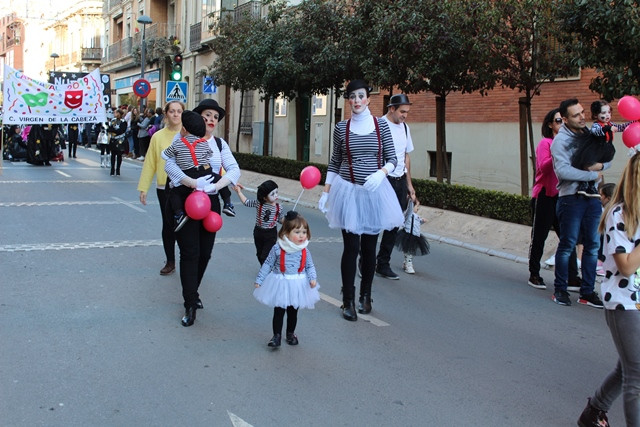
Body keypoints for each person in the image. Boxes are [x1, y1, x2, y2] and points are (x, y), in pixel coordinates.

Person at [318, 79, 403, 321]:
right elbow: (335, 162)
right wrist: (326, 191)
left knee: (368, 249)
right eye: (352, 96)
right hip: (348, 192)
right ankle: (348, 300)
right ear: (349, 100)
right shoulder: (341, 128)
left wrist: (381, 173)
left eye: (360, 96)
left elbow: (393, 158)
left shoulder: (381, 126)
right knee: (351, 248)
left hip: (375, 193)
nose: (356, 100)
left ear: (368, 98)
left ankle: (366, 294)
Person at [577, 147, 640, 427]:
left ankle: (593, 413)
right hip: (623, 301)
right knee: (636, 373)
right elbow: (626, 265)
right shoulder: (619, 214)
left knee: (626, 367)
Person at [164, 98, 241, 327]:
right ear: (198, 118)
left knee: (205, 253)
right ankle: (189, 302)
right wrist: (190, 182)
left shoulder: (219, 144)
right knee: (190, 252)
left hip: (210, 201)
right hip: (186, 199)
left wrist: (216, 186)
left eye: (215, 117)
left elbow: (234, 169)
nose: (211, 120)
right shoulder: (182, 139)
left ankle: (193, 290)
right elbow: (169, 164)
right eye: (207, 115)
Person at [550, 98, 607, 308]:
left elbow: (606, 158)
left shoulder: (591, 135)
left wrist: (600, 165)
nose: (582, 117)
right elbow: (563, 171)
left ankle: (587, 292)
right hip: (571, 198)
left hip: (592, 199)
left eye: (582, 112)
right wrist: (592, 174)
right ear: (565, 119)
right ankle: (560, 290)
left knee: (593, 246)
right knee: (568, 245)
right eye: (576, 115)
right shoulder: (560, 141)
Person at [528, 108, 579, 290]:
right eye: (558, 121)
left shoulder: (569, 144)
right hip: (544, 195)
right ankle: (534, 273)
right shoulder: (545, 143)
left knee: (568, 237)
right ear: (550, 124)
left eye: (563, 121)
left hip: (563, 196)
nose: (561, 124)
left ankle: (573, 277)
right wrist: (556, 153)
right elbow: (543, 167)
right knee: (539, 236)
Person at [253, 211, 320, 348]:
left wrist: (312, 278)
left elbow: (310, 266)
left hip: (297, 284)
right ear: (286, 233)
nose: (301, 235)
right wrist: (260, 279)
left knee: (293, 311)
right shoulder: (278, 248)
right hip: (281, 282)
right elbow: (268, 264)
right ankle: (276, 335)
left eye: (304, 232)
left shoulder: (304, 250)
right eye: (297, 232)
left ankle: (290, 333)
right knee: (279, 311)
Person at [372, 93, 418, 279]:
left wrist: (409, 185)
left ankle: (383, 264)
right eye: (402, 111)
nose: (405, 115)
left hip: (399, 181)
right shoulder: (378, 126)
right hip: (383, 180)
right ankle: (365, 261)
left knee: (393, 224)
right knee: (375, 223)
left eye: (407, 112)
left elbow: (405, 157)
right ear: (391, 108)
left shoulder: (405, 128)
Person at [138, 101, 184, 276]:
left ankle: (188, 258)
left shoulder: (189, 135)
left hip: (185, 187)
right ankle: (170, 261)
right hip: (164, 188)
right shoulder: (157, 137)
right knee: (168, 225)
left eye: (179, 111)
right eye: (172, 111)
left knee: (185, 225)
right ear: (166, 114)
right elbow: (150, 163)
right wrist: (144, 188)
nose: (175, 114)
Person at [161, 110, 209, 232]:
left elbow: (165, 155)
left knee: (174, 192)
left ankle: (179, 214)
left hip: (188, 174)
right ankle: (228, 202)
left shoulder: (179, 142)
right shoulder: (204, 143)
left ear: (185, 129)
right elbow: (209, 156)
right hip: (204, 173)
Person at [234, 180, 283, 265]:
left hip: (271, 233)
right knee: (259, 254)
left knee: (265, 255)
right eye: (272, 194)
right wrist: (239, 192)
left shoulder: (278, 207)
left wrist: (288, 220)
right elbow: (247, 202)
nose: (276, 195)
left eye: (276, 192)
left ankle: (266, 272)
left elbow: (280, 219)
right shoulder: (259, 203)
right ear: (264, 197)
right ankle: (266, 267)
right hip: (258, 232)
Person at [394, 198, 429, 273]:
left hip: (415, 235)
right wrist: (411, 201)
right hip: (408, 234)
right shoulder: (408, 214)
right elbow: (406, 214)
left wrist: (422, 221)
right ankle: (408, 264)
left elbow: (418, 224)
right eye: (416, 207)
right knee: (408, 251)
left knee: (411, 251)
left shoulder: (417, 217)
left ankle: (406, 262)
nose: (417, 209)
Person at [596, 182, 616, 277]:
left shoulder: (611, 212)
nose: (599, 197)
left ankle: (602, 262)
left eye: (601, 195)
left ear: (608, 198)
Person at [107, 109, 127, 176]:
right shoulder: (113, 121)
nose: (115, 114)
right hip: (113, 139)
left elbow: (122, 130)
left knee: (119, 155)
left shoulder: (123, 121)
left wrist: (114, 130)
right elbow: (109, 129)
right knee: (113, 155)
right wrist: (112, 130)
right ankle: (112, 169)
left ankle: (118, 169)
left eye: (117, 113)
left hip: (120, 139)